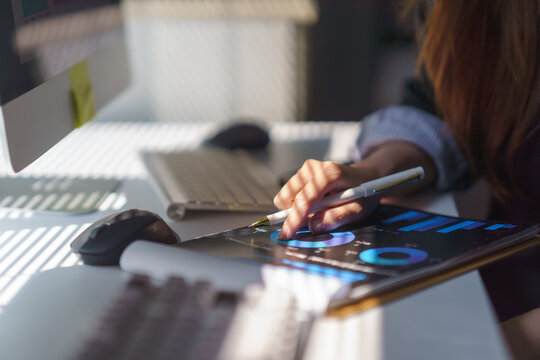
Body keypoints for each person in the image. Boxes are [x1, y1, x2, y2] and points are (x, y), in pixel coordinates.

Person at [274, 0, 540, 352]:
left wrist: (494, 344)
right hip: (495, 289)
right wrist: (371, 174)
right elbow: (439, 110)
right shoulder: (476, 11)